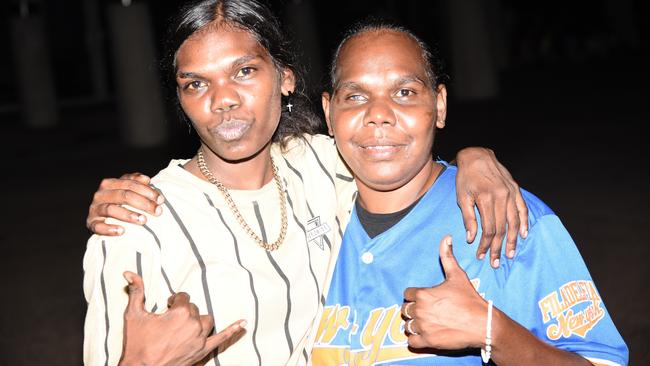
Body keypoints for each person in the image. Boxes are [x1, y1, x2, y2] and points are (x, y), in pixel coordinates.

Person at [82, 1, 527, 365]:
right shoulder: (138, 222)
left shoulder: (320, 162)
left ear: (286, 79)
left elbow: (398, 149)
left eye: (244, 71)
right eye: (196, 84)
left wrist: (475, 159)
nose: (223, 100)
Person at [310, 21, 628, 365]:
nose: (379, 115)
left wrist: (493, 330)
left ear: (440, 106)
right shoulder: (306, 215)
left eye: (405, 93)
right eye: (356, 96)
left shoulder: (505, 218)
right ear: (329, 112)